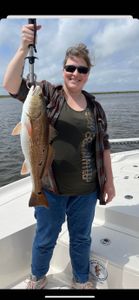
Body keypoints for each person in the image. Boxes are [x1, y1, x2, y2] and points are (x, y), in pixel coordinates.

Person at [3, 22, 116, 290]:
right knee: (45, 238)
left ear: (88, 74)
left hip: (86, 191)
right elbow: (9, 84)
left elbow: (104, 147)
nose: (75, 73)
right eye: (70, 68)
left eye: (82, 69)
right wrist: (22, 48)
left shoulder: (96, 108)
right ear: (63, 70)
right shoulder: (46, 94)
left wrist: (109, 182)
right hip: (50, 188)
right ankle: (37, 277)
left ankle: (80, 280)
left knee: (81, 239)